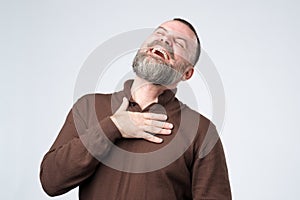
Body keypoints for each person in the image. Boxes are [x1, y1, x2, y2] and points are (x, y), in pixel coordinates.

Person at [40, 18, 232, 200]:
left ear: (187, 73)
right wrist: (113, 127)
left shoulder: (201, 131)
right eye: (159, 33)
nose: (165, 40)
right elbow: (51, 181)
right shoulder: (89, 107)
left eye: (179, 42)